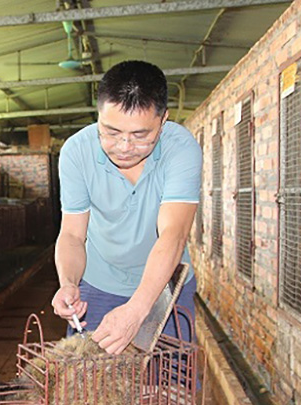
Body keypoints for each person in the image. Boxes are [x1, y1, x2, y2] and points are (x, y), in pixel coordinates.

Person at [51, 60, 202, 354]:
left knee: (169, 389)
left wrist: (137, 310)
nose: (123, 146)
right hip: (98, 284)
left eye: (140, 135)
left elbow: (174, 234)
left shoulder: (180, 148)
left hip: (165, 288)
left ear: (163, 120)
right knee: (88, 390)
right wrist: (68, 283)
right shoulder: (75, 152)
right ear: (98, 116)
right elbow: (72, 235)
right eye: (110, 131)